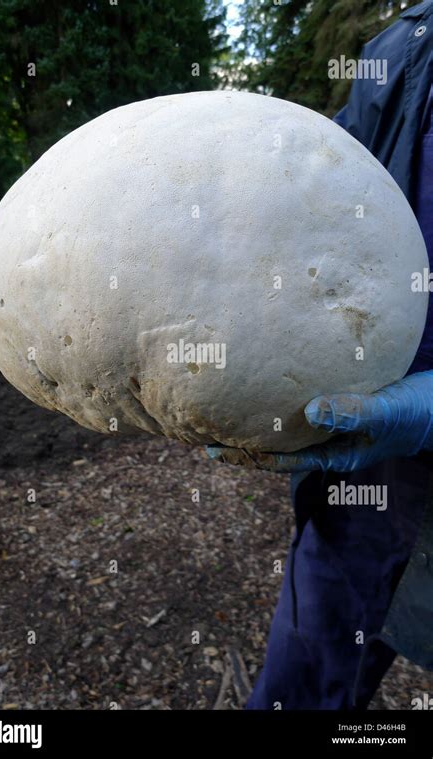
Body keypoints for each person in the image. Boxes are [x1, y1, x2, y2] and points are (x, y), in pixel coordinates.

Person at [208, 0, 433, 709]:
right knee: (305, 672)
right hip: (370, 456)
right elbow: (328, 178)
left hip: (403, 419)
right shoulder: (404, 48)